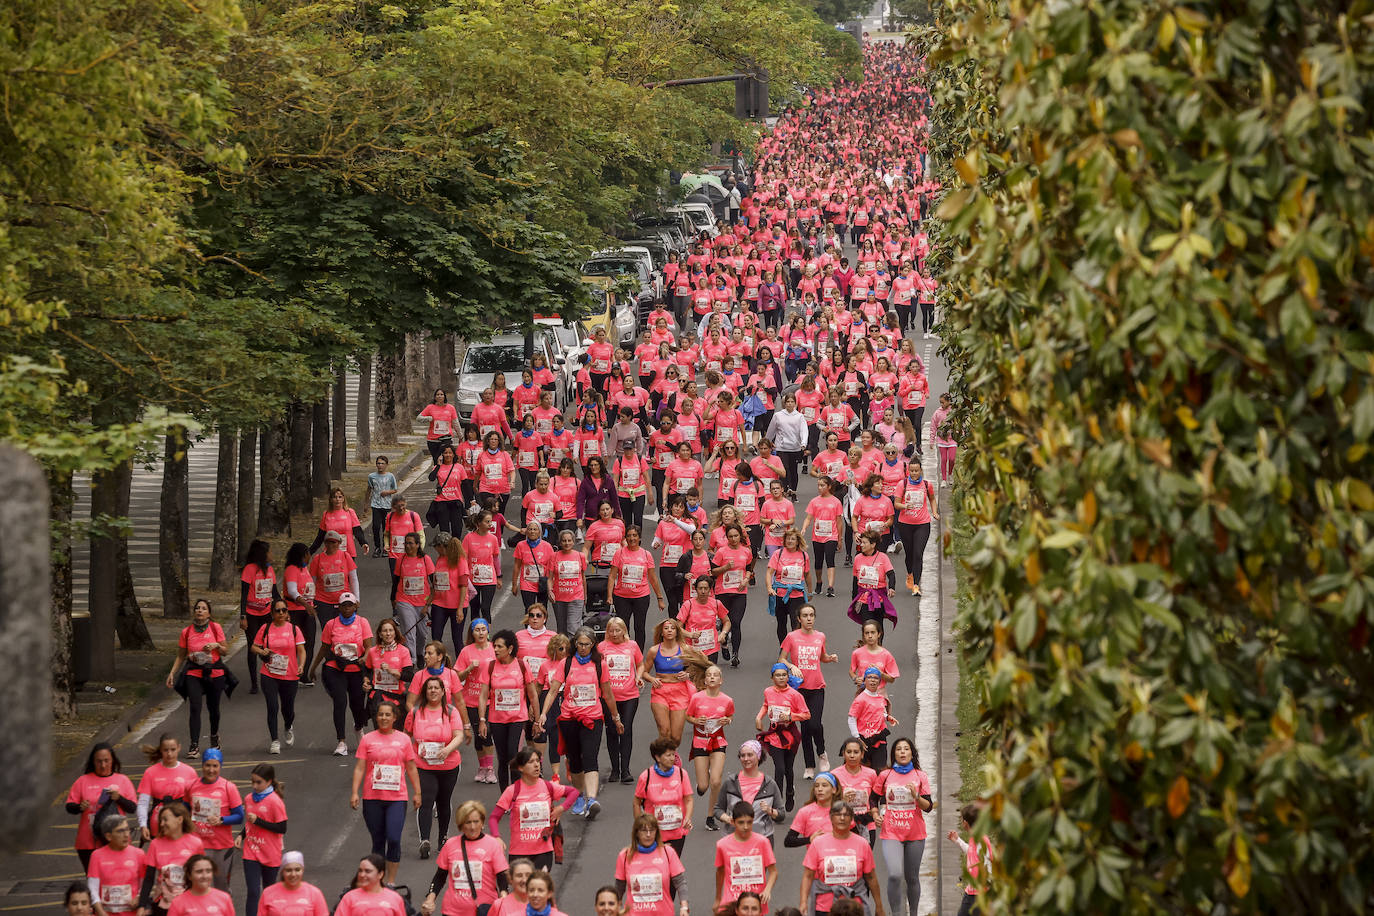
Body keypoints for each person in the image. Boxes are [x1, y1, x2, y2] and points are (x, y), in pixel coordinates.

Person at [539, 627, 620, 820]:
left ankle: (591, 799)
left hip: (592, 718)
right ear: (575, 644)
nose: (583, 648)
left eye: (587, 644)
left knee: (590, 757)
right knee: (575, 761)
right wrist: (543, 713)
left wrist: (616, 718)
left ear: (593, 645)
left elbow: (607, 694)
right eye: (580, 644)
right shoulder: (566, 663)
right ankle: (578, 795)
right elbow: (552, 691)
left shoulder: (600, 664)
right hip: (569, 718)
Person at [351, 700, 422, 885]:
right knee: (378, 841)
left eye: (387, 715)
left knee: (394, 838)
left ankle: (390, 881)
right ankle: (377, 882)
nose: (383, 718)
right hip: (372, 797)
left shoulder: (404, 739)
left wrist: (418, 792)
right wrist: (354, 793)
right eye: (380, 714)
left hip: (397, 798)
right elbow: (360, 767)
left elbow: (412, 767)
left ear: (395, 717)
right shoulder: (367, 739)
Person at [407, 674, 470, 860]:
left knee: (443, 801)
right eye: (429, 688)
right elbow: (406, 735)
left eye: (436, 688)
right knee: (426, 799)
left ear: (443, 692)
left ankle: (443, 839)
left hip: (448, 765)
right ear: (425, 692)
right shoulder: (416, 712)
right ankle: (424, 840)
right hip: (423, 765)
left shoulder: (451, 712)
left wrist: (447, 749)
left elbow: (458, 735)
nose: (433, 691)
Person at [488, 748, 578, 873]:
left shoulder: (547, 786)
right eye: (531, 762)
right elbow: (493, 818)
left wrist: (561, 808)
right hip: (519, 852)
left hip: (543, 851)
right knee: (521, 891)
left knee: (538, 890)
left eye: (537, 761)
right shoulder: (512, 790)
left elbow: (574, 792)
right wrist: (496, 837)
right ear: (521, 768)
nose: (536, 765)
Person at [873, 738, 934, 916]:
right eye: (898, 749)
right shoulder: (885, 775)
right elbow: (873, 798)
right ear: (894, 754)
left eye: (906, 749)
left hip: (915, 833)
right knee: (894, 874)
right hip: (891, 832)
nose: (902, 752)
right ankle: (896, 913)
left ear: (912, 753)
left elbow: (928, 807)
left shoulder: (920, 776)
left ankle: (913, 913)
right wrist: (876, 815)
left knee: (912, 877)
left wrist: (916, 796)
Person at [308, 592, 373, 757]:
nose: (347, 608)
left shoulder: (362, 622)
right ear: (339, 607)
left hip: (356, 670)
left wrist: (364, 659)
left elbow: (368, 648)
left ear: (355, 606)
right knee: (340, 701)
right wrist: (313, 667)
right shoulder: (331, 624)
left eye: (350, 605)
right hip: (335, 668)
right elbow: (324, 648)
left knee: (357, 705)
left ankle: (358, 728)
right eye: (344, 605)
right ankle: (341, 741)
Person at [165, 600, 230, 758]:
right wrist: (172, 673)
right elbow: (181, 656)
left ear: (209, 613)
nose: (200, 611)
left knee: (213, 708)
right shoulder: (186, 632)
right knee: (195, 707)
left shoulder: (215, 628)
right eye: (197, 608)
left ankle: (214, 736)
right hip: (194, 673)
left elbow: (225, 651)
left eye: (203, 608)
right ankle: (194, 745)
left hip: (214, 673)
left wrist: (216, 646)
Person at [476, 630, 540, 790]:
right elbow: (483, 696)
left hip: (517, 718)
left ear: (510, 648)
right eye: (494, 646)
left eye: (499, 646)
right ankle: (506, 795)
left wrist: (537, 720)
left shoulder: (521, 665)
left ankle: (517, 793)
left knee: (513, 753)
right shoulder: (490, 666)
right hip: (496, 719)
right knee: (502, 757)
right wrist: (482, 720)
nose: (495, 649)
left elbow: (532, 694)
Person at [421, 800, 509, 916]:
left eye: (476, 822)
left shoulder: (492, 845)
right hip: (452, 911)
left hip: (484, 910)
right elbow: (439, 877)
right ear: (461, 825)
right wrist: (430, 899)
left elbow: (502, 877)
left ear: (482, 823)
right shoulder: (450, 845)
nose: (472, 827)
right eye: (468, 822)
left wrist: (504, 896)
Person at [778, 605, 836, 779]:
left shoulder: (820, 637)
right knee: (804, 728)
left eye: (812, 615)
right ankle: (809, 766)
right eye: (805, 615)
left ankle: (822, 753)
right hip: (799, 690)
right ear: (799, 619)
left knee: (815, 724)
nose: (809, 618)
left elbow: (822, 657)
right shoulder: (791, 637)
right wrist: (791, 666)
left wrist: (830, 658)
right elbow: (782, 659)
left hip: (817, 687)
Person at [798, 802, 885, 916]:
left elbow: (871, 877)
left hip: (854, 908)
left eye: (846, 815)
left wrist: (879, 906)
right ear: (831, 817)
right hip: (824, 908)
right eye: (838, 814)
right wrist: (803, 902)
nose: (842, 818)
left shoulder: (862, 844)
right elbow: (808, 876)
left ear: (852, 819)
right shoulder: (818, 843)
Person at [67, 743, 136, 870]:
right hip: (89, 842)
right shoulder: (83, 781)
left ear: (113, 760)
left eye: (106, 761)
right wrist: (79, 807)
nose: (103, 765)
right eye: (99, 761)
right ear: (93, 762)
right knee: (94, 881)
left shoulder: (123, 780)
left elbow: (132, 808)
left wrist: (119, 798)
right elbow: (69, 806)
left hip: (117, 840)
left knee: (117, 878)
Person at [641, 617, 707, 747]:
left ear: (678, 632)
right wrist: (652, 679)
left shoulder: (685, 649)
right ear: (661, 632)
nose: (669, 631)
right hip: (660, 692)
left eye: (672, 628)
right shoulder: (654, 650)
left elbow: (704, 663)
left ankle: (671, 756)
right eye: (666, 628)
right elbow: (643, 672)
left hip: (680, 692)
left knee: (676, 737)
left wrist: (688, 674)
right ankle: (664, 760)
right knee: (664, 731)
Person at [250, 600, 305, 755]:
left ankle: (288, 726)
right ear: (272, 613)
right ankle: (274, 740)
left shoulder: (294, 629)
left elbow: (301, 650)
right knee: (272, 707)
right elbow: (254, 646)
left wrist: (301, 666)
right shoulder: (265, 628)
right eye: (277, 610)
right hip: (269, 673)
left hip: (290, 674)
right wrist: (262, 652)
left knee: (288, 710)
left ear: (287, 613)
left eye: (284, 610)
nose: (281, 613)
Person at [184, 748, 242, 892]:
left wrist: (222, 820)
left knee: (222, 889)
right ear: (202, 765)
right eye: (207, 765)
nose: (211, 770)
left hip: (221, 847)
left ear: (220, 766)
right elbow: (183, 811)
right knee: (198, 887)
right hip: (198, 846)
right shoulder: (191, 786)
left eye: (215, 766)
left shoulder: (229, 787)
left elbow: (239, 816)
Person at [683, 665, 733, 832]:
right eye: (709, 675)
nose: (712, 678)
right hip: (700, 742)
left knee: (716, 781)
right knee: (703, 786)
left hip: (718, 741)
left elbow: (730, 715)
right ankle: (702, 783)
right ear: (704, 680)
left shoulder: (727, 700)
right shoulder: (697, 698)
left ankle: (711, 817)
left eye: (715, 675)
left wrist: (727, 720)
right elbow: (688, 716)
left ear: (721, 680)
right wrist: (696, 721)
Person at [755, 664, 810, 812]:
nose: (781, 678)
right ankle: (777, 802)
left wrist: (791, 716)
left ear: (788, 676)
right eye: (778, 675)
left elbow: (806, 714)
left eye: (784, 675)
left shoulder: (795, 695)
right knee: (779, 769)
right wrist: (759, 717)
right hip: (774, 735)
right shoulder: (768, 691)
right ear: (772, 677)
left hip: (790, 736)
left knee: (788, 769)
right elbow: (766, 705)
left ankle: (790, 793)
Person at [599, 615, 645, 785]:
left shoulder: (632, 646)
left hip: (629, 696)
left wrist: (638, 677)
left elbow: (641, 664)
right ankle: (615, 769)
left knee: (625, 729)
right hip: (608, 697)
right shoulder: (602, 647)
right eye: (611, 631)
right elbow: (595, 668)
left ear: (624, 631)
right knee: (611, 730)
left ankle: (625, 769)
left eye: (617, 630)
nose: (614, 634)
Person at [614, 815, 688, 916]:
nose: (648, 835)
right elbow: (619, 886)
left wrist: (684, 906)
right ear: (636, 833)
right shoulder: (625, 855)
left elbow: (680, 883)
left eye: (652, 830)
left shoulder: (668, 852)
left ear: (656, 832)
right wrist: (616, 907)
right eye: (644, 830)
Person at [713, 741, 785, 847]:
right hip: (734, 838)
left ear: (759, 756)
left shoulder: (769, 784)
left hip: (762, 839)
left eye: (750, 755)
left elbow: (781, 814)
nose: (746, 759)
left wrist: (770, 811)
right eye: (742, 755)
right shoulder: (731, 782)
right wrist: (728, 819)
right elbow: (718, 809)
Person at [633, 737, 694, 856]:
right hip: (653, 833)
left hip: (677, 831)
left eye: (673, 755)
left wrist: (687, 817)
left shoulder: (681, 774)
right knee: (657, 866)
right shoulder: (646, 776)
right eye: (668, 755)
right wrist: (640, 826)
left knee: (672, 868)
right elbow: (636, 802)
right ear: (657, 757)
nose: (672, 758)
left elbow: (689, 799)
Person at [608, 526, 667, 648]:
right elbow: (612, 576)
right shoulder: (619, 553)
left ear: (639, 538)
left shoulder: (646, 555)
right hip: (621, 597)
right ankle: (624, 650)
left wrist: (660, 598)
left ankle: (638, 653)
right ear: (626, 538)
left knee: (639, 627)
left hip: (641, 597)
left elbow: (652, 578)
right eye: (629, 535)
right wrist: (609, 596)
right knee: (622, 627)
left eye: (634, 535)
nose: (631, 538)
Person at [714, 801, 778, 913]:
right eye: (741, 822)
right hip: (732, 901)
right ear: (733, 822)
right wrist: (718, 898)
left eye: (749, 822)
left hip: (755, 901)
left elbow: (773, 871)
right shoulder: (722, 845)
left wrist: (767, 890)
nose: (745, 826)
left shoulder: (762, 842)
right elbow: (720, 871)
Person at [139, 802, 201, 916]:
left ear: (180, 819)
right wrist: (142, 905)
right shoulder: (155, 844)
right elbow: (149, 878)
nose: (161, 824)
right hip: (162, 905)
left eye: (165, 819)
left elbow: (200, 877)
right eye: (160, 820)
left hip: (188, 905)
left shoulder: (195, 844)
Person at [241, 764, 287, 916]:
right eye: (252, 781)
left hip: (270, 852)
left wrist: (259, 821)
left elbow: (282, 828)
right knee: (253, 891)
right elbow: (249, 822)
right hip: (251, 851)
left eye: (258, 782)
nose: (254, 785)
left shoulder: (275, 801)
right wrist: (241, 836)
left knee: (268, 892)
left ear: (269, 782)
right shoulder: (248, 798)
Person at [135, 735, 199, 845]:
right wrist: (143, 825)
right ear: (161, 750)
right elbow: (143, 803)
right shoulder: (150, 772)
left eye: (173, 749)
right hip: (158, 824)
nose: (169, 754)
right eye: (166, 750)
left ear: (179, 748)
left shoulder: (189, 772)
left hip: (182, 823)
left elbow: (196, 802)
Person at [454, 621, 497, 784]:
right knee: (479, 737)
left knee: (487, 734)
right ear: (472, 633)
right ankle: (482, 767)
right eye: (477, 630)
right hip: (471, 699)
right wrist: (469, 668)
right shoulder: (466, 651)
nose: (480, 633)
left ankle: (490, 768)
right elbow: (458, 677)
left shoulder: (495, 649)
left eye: (483, 629)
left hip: (489, 700)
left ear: (488, 631)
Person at [238, 539, 278, 695]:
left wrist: (283, 608)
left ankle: (272, 675)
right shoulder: (250, 569)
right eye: (269, 552)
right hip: (252, 614)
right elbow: (243, 594)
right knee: (253, 647)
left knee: (269, 644)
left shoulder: (270, 570)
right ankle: (254, 683)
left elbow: (274, 593)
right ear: (263, 554)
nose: (271, 554)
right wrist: (242, 616)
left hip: (267, 613)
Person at [86, 814, 146, 916]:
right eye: (120, 831)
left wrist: (139, 897)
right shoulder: (96, 856)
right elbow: (92, 889)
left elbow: (145, 885)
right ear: (108, 836)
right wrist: (101, 913)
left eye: (127, 829)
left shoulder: (139, 854)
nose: (126, 834)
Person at [894, 459, 937, 596]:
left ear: (921, 470)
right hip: (905, 524)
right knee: (910, 554)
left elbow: (932, 498)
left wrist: (934, 512)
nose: (914, 473)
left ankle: (916, 585)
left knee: (918, 553)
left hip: (922, 524)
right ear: (908, 471)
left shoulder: (926, 484)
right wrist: (905, 506)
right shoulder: (903, 484)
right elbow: (896, 504)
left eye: (916, 470)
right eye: (911, 470)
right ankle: (910, 574)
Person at [307, 530, 357, 643]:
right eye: (328, 542)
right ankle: (330, 659)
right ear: (324, 543)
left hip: (343, 601)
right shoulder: (318, 559)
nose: (331, 545)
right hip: (323, 602)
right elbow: (312, 582)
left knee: (345, 631)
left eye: (334, 542)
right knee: (329, 633)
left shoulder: (345, 556)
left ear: (339, 543)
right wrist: (310, 602)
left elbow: (353, 578)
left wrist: (356, 598)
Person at [394, 532, 437, 660]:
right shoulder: (400, 560)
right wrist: (393, 599)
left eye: (410, 543)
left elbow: (434, 583)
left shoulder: (425, 559)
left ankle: (419, 652)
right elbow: (395, 581)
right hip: (404, 600)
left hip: (422, 603)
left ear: (418, 545)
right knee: (409, 631)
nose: (407, 546)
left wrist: (428, 604)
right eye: (406, 543)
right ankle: (411, 661)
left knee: (422, 634)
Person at [765, 527, 811, 644]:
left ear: (797, 541)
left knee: (796, 623)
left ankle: (795, 647)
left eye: (793, 539)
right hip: (780, 594)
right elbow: (769, 573)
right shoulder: (778, 554)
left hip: (797, 594)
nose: (790, 541)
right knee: (781, 623)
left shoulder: (804, 556)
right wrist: (769, 588)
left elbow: (807, 575)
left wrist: (810, 591)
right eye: (788, 539)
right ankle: (783, 648)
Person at [280, 544, 318, 687]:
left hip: (308, 611)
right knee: (295, 643)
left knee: (310, 642)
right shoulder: (291, 570)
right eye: (308, 554)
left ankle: (303, 674)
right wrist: (306, 604)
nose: (310, 557)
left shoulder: (304, 569)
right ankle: (289, 673)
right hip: (294, 610)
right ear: (302, 555)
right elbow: (292, 591)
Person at [848, 532, 897, 640]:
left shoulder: (883, 557)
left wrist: (892, 588)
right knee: (868, 627)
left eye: (864, 543)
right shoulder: (857, 558)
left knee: (878, 628)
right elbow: (855, 580)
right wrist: (854, 599)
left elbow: (891, 574)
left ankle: (878, 649)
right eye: (861, 542)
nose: (862, 545)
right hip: (864, 599)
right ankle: (868, 651)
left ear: (873, 544)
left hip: (879, 599)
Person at [831, 738, 879, 847]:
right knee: (847, 861)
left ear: (862, 754)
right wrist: (842, 799)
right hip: (843, 823)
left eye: (856, 752)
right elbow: (828, 802)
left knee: (863, 861)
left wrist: (875, 813)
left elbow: (874, 799)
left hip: (866, 824)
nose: (852, 755)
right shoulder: (834, 774)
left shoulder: (871, 774)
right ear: (843, 754)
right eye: (849, 752)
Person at [801, 477, 843, 598]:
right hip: (818, 536)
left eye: (822, 485)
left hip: (831, 536)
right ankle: (819, 582)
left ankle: (830, 587)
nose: (820, 488)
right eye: (818, 485)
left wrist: (839, 539)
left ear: (829, 486)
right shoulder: (814, 501)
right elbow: (809, 517)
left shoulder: (836, 502)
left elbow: (839, 521)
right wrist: (804, 528)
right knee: (818, 562)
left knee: (830, 559)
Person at [948, 805, 994, 915]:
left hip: (978, 893)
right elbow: (972, 852)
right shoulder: (977, 837)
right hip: (974, 892)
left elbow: (988, 864)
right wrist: (958, 840)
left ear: (965, 823)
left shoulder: (981, 840)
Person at [430, 533, 471, 653]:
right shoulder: (440, 559)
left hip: (456, 605)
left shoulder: (460, 560)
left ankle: (460, 666)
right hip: (439, 603)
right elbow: (436, 583)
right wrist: (428, 603)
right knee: (436, 636)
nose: (435, 550)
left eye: (436, 547)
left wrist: (459, 609)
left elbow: (464, 585)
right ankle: (438, 662)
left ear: (442, 546)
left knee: (457, 638)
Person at [257, 851, 328, 916]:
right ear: (282, 872)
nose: (293, 874)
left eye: (297, 870)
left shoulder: (315, 893)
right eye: (288, 870)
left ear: (302, 870)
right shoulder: (268, 893)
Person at [335, 855, 407, 916]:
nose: (362, 875)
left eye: (367, 871)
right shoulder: (349, 897)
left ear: (380, 874)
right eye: (360, 871)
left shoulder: (395, 898)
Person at [783, 772, 839, 848]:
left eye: (824, 785)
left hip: (840, 857)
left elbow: (855, 837)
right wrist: (809, 839)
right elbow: (789, 841)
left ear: (834, 789)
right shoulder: (805, 811)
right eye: (816, 786)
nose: (820, 789)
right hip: (815, 858)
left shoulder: (842, 811)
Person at [309, 488, 368, 558]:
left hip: (348, 553)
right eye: (334, 497)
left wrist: (363, 543)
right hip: (331, 552)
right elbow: (320, 537)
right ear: (331, 500)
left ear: (343, 499)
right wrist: (309, 552)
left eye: (340, 497)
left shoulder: (350, 512)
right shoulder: (326, 514)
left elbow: (357, 531)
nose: (337, 499)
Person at [164, 855, 232, 916]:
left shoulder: (224, 898)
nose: (204, 876)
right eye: (199, 871)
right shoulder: (177, 903)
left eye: (208, 871)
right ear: (189, 875)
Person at [510, 521, 554, 611]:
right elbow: (517, 566)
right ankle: (529, 625)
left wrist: (551, 585)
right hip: (527, 584)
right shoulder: (520, 545)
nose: (532, 532)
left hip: (542, 583)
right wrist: (514, 584)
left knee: (542, 610)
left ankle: (542, 625)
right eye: (530, 529)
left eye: (535, 529)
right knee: (529, 609)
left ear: (539, 532)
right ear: (526, 531)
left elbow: (551, 567)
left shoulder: (547, 546)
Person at [368, 457, 400, 556]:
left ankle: (386, 547)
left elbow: (395, 489)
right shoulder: (371, 476)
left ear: (386, 465)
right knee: (376, 527)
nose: (380, 465)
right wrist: (366, 503)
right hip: (375, 504)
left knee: (386, 527)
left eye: (382, 463)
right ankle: (377, 547)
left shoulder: (390, 476)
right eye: (378, 463)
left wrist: (387, 492)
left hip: (387, 505)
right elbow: (369, 489)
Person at [420, 389, 459, 465]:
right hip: (433, 440)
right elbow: (419, 418)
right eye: (437, 395)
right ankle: (437, 476)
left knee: (446, 460)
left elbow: (455, 422)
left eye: (441, 394)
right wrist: (428, 418)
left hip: (446, 439)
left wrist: (460, 436)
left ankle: (446, 475)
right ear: (435, 397)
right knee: (436, 461)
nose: (439, 396)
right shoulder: (430, 407)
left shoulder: (450, 408)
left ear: (444, 396)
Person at [931, 393, 956, 487]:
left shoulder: (953, 411)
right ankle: (944, 479)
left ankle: (950, 474)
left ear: (949, 402)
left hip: (952, 439)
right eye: (940, 402)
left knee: (952, 459)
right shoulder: (937, 412)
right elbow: (933, 426)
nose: (941, 404)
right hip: (941, 440)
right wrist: (932, 440)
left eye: (943, 402)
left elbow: (959, 423)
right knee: (944, 459)